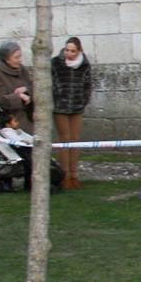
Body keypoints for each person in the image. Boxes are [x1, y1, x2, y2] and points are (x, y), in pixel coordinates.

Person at [51, 37, 93, 189]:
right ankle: (65, 176)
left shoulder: (85, 65)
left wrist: (83, 100)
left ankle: (74, 175)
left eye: (73, 51)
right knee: (65, 139)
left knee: (75, 140)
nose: (69, 53)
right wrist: (56, 97)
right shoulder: (55, 63)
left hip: (77, 106)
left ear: (79, 51)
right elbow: (51, 84)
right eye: (67, 50)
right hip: (60, 107)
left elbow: (88, 84)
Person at [0, 41, 33, 131]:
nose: (20, 60)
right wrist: (19, 97)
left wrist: (26, 89)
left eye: (20, 56)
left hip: (29, 115)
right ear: (7, 59)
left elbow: (33, 86)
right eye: (16, 57)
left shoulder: (22, 69)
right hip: (11, 120)